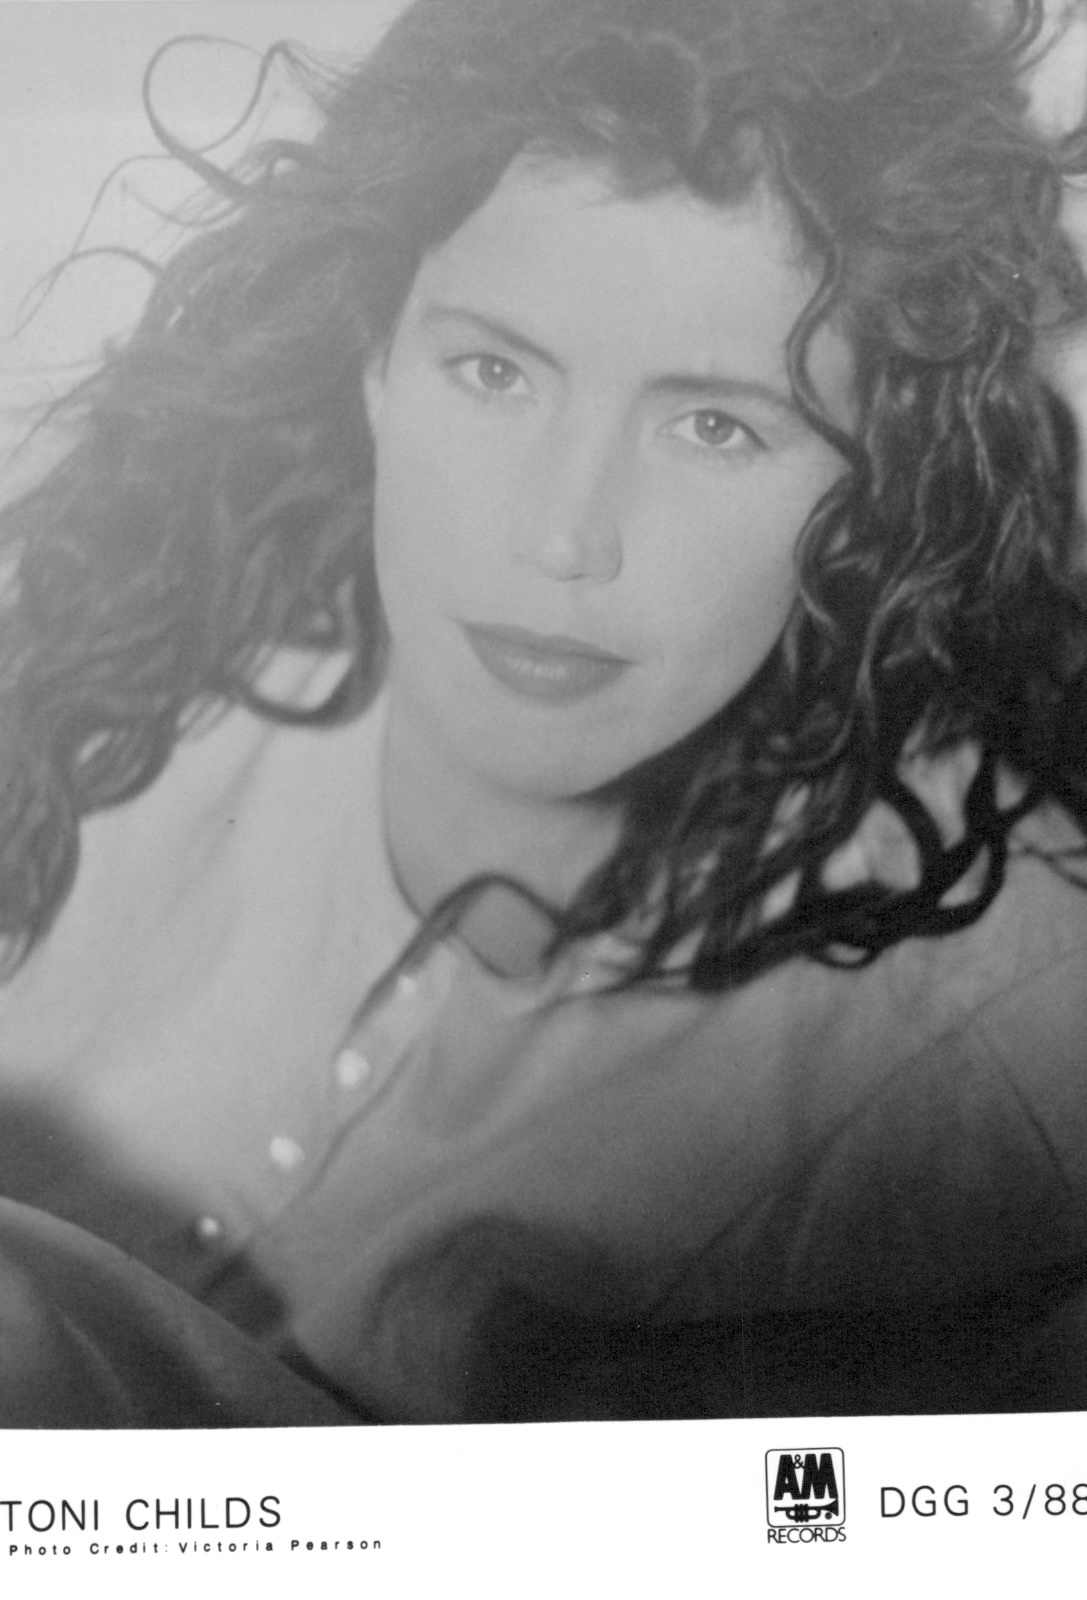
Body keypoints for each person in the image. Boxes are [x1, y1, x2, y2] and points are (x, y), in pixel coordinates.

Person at [2, 0, 1087, 1424]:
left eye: (714, 425)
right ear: (377, 363)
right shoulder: (123, 660)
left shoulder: (1006, 1053)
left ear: (876, 482)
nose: (564, 536)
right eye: (495, 371)